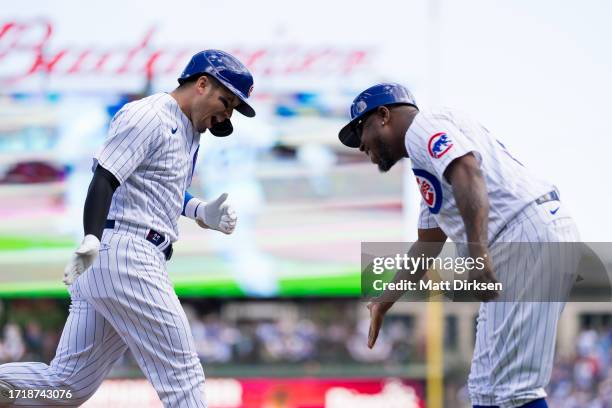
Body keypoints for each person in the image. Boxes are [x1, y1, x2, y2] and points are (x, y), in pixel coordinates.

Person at [0, 49, 255, 407]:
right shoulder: (149, 114)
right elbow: (105, 176)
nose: (227, 114)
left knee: (66, 385)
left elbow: (156, 186)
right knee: (183, 375)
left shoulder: (187, 129)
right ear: (201, 84)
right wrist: (91, 237)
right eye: (226, 102)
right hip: (126, 254)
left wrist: (198, 209)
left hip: (119, 256)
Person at [338, 83, 581, 408]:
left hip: (524, 236)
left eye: (359, 131)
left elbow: (468, 172)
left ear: (383, 115)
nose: (360, 146)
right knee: (485, 388)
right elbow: (427, 245)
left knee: (515, 390)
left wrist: (478, 258)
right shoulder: (427, 166)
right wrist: (384, 301)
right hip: (518, 238)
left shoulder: (423, 127)